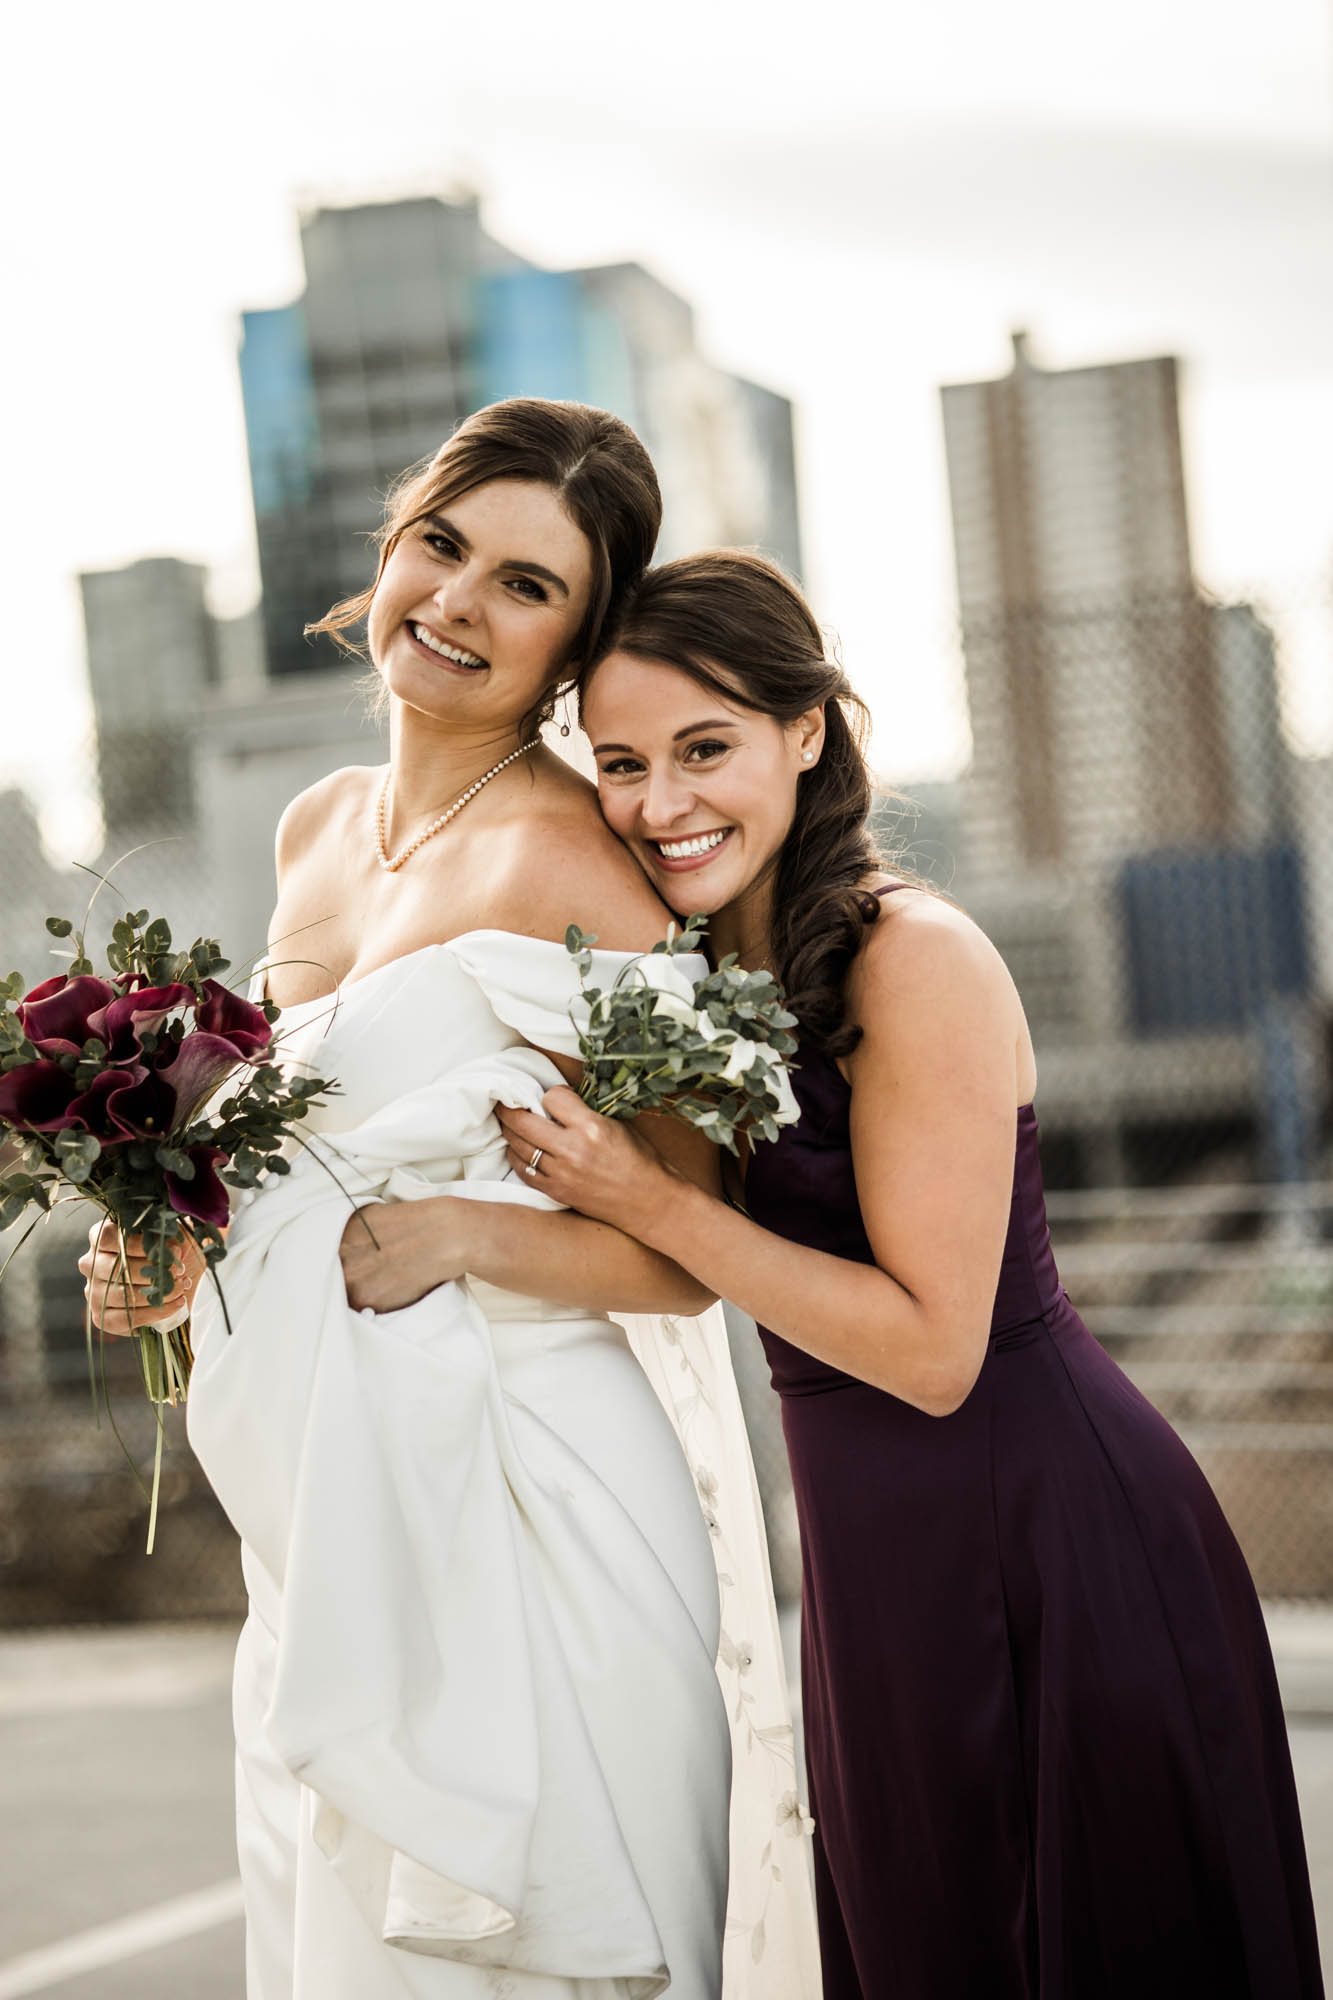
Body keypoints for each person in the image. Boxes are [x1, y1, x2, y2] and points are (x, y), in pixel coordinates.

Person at [496, 548, 1325, 1999]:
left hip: (1043, 1543)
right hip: (877, 1581)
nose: (661, 803)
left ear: (806, 733)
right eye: (621, 764)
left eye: (705, 749)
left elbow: (936, 1353)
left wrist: (651, 1199)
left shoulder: (910, 956)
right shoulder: (689, 982)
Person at [79, 409, 817, 2000]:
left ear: (575, 645)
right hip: (324, 1523)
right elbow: (297, 1153)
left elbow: (686, 1247)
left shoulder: (586, 871)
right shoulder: (318, 826)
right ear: (393, 541)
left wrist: (469, 1237)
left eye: (526, 586)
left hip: (530, 1503)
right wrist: (171, 1245)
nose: (460, 602)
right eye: (443, 545)